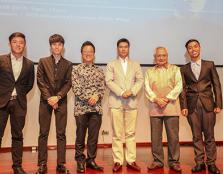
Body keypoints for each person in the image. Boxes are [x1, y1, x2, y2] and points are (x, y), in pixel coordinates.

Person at [180, 39, 222, 174]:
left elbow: (217, 85)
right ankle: (199, 163)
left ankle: (211, 163)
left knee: (209, 136)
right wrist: (183, 106)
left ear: (199, 48)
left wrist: (219, 104)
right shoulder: (184, 69)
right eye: (190, 48)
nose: (193, 49)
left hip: (209, 105)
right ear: (187, 51)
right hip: (192, 106)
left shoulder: (209, 65)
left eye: (195, 46)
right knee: (196, 136)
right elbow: (183, 89)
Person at [105, 38, 143, 172]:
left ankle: (131, 160)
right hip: (116, 101)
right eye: (120, 47)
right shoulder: (111, 64)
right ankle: (118, 161)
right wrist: (121, 92)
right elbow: (108, 81)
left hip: (131, 102)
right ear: (117, 49)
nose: (123, 49)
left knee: (131, 133)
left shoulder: (136, 64)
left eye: (125, 47)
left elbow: (140, 80)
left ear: (129, 48)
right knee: (117, 134)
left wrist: (131, 91)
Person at [36, 34, 72, 174]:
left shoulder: (68, 64)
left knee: (61, 133)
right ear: (50, 46)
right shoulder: (43, 61)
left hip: (61, 101)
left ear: (63, 47)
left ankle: (61, 164)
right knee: (43, 133)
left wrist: (58, 97)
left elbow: (68, 83)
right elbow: (40, 81)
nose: (57, 47)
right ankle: (42, 164)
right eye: (54, 44)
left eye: (59, 44)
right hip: (45, 102)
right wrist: (49, 99)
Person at [0, 32, 34, 174]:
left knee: (17, 136)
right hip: (1, 102)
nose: (18, 44)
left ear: (24, 45)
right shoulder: (1, 60)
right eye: (15, 42)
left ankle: (17, 166)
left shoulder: (29, 64)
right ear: (10, 44)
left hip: (19, 104)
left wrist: (18, 94)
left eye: (21, 42)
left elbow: (29, 84)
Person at [145, 47, 182, 172]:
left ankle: (174, 162)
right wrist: (156, 99)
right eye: (158, 56)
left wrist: (166, 99)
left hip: (171, 107)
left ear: (167, 56)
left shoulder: (175, 69)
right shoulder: (149, 72)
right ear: (155, 57)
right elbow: (147, 88)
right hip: (155, 108)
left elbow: (179, 86)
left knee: (173, 137)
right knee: (156, 137)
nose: (161, 58)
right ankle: (157, 161)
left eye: (163, 55)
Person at [71, 41, 105, 173]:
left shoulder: (99, 70)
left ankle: (91, 160)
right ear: (81, 54)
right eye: (85, 51)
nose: (88, 53)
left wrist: (96, 97)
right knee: (80, 137)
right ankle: (80, 161)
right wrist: (89, 98)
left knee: (93, 137)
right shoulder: (76, 69)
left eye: (90, 51)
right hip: (81, 109)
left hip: (96, 109)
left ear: (94, 54)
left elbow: (102, 88)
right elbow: (76, 88)